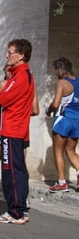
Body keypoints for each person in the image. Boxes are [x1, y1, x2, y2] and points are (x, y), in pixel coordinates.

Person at [0, 39, 35, 225]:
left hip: (12, 129)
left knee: (11, 172)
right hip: (15, 129)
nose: (7, 55)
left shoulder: (21, 77)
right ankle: (20, 209)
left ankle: (15, 212)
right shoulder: (21, 75)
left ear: (21, 55)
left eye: (10, 52)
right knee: (18, 170)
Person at [46, 57, 79, 193]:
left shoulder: (61, 83)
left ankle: (61, 183)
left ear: (59, 70)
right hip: (76, 120)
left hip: (63, 119)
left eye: (56, 70)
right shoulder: (78, 81)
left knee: (58, 151)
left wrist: (48, 110)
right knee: (71, 150)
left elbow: (55, 103)